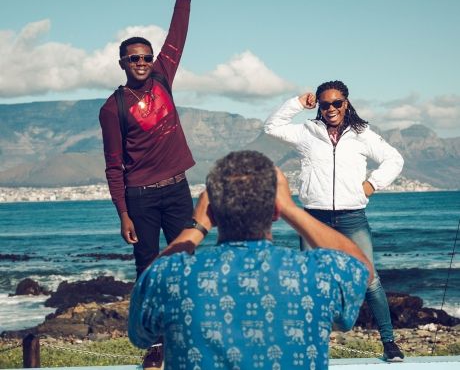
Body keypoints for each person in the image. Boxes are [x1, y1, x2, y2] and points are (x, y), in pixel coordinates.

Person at [129, 150, 373, 370]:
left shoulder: (172, 277)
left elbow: (142, 318)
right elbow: (361, 268)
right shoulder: (314, 275)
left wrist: (197, 226)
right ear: (275, 212)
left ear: (212, 212)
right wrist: (290, 208)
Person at [264, 80, 405, 362]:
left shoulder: (362, 134)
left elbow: (394, 159)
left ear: (346, 103)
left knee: (370, 279)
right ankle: (308, 344)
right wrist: (295, 103)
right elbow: (271, 127)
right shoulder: (306, 132)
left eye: (336, 103)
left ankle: (389, 343)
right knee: (309, 282)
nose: (330, 109)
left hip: (352, 217)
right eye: (324, 104)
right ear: (318, 106)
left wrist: (372, 184)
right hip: (313, 218)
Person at [99, 0, 195, 278]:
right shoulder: (113, 108)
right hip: (141, 197)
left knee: (186, 263)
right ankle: (148, 328)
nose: (141, 62)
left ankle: (184, 325)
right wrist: (123, 214)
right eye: (133, 58)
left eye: (146, 57)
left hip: (178, 189)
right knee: (148, 269)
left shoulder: (162, 76)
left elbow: (178, 33)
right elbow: (114, 167)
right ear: (123, 63)